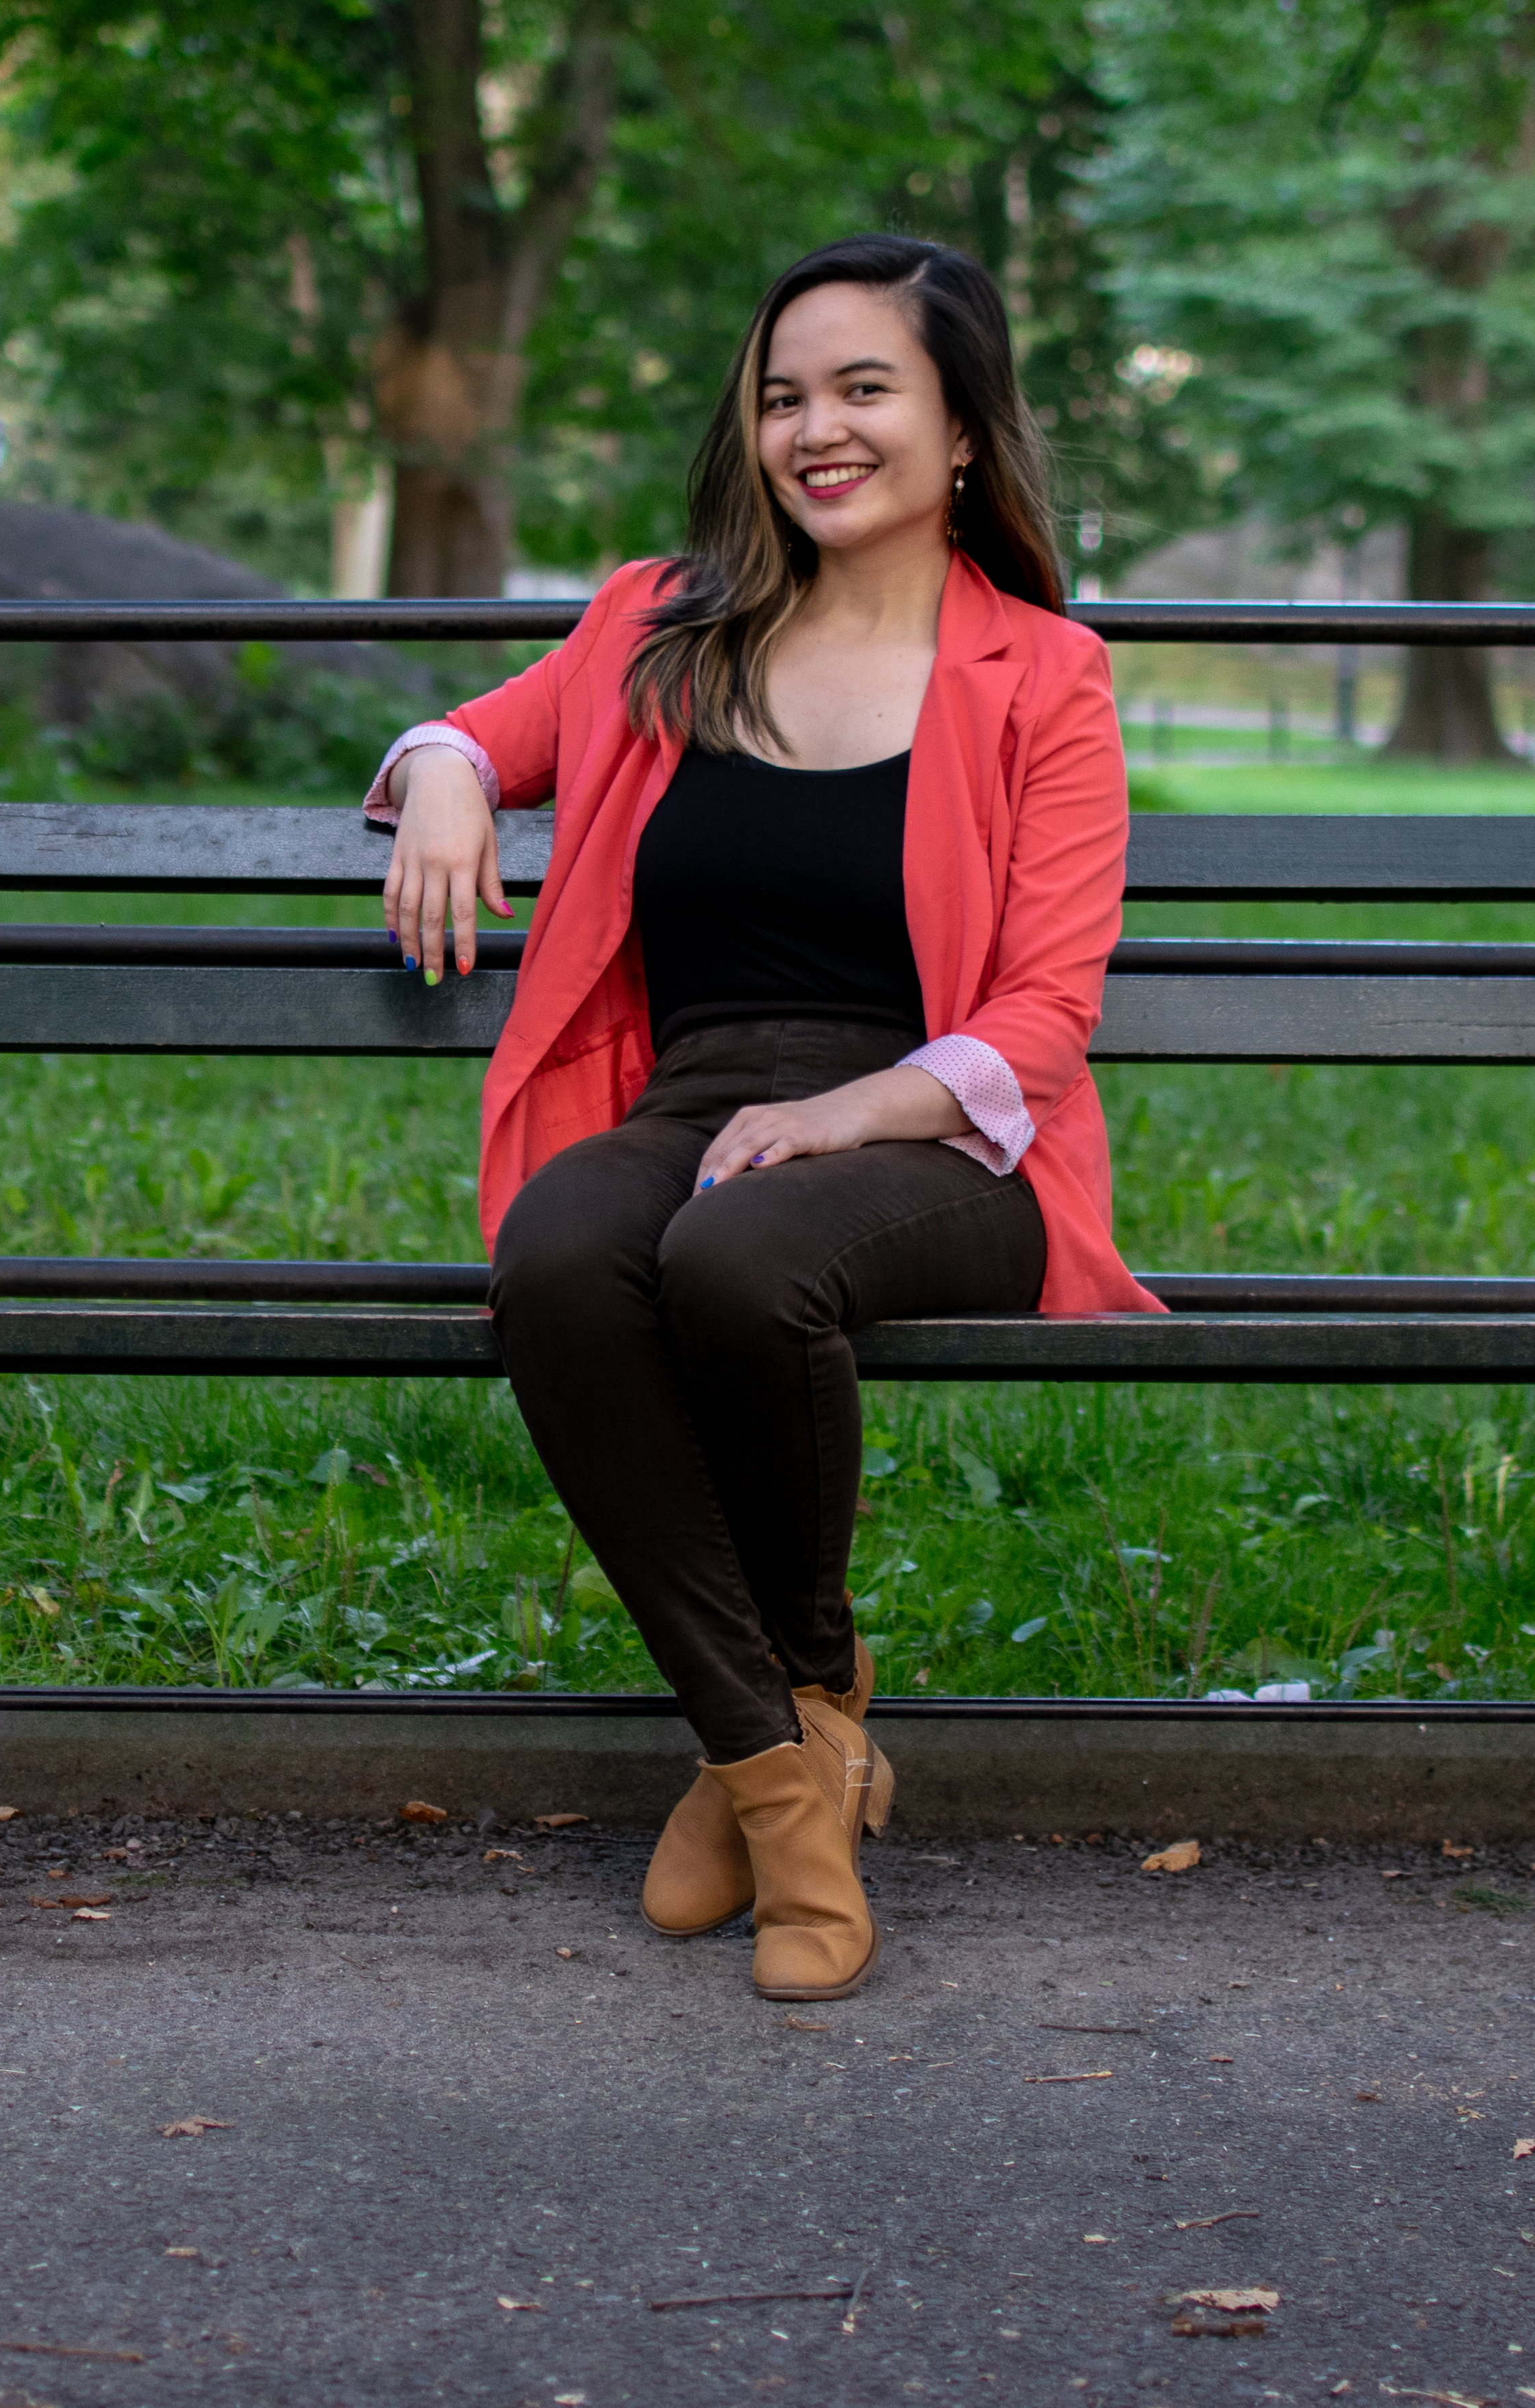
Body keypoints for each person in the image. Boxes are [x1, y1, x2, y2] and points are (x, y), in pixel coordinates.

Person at [367, 234, 1155, 2005]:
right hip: (695, 1104)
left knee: (736, 1260)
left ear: (963, 429)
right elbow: (472, 731)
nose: (817, 430)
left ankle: (781, 1767)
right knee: (562, 1254)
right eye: (785, 395)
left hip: (944, 1139)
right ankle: (784, 1757)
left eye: (866, 389)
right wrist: (444, 772)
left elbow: (1041, 1016)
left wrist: (853, 1112)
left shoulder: (1042, 673)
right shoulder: (665, 623)